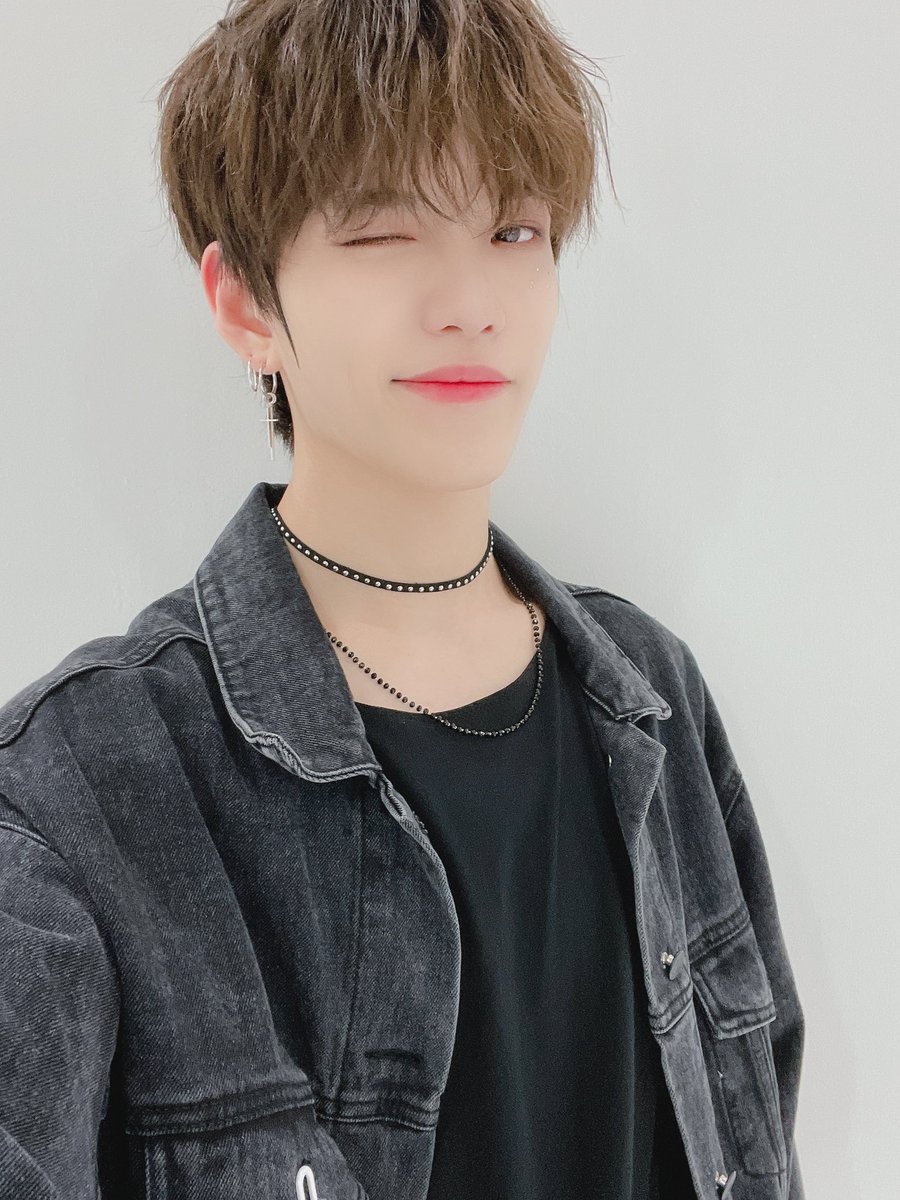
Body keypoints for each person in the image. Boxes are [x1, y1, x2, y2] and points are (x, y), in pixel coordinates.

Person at [0, 2, 805, 1199]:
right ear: (245, 302)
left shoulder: (653, 699)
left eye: (514, 229)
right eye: (382, 231)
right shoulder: (81, 784)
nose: (471, 299)